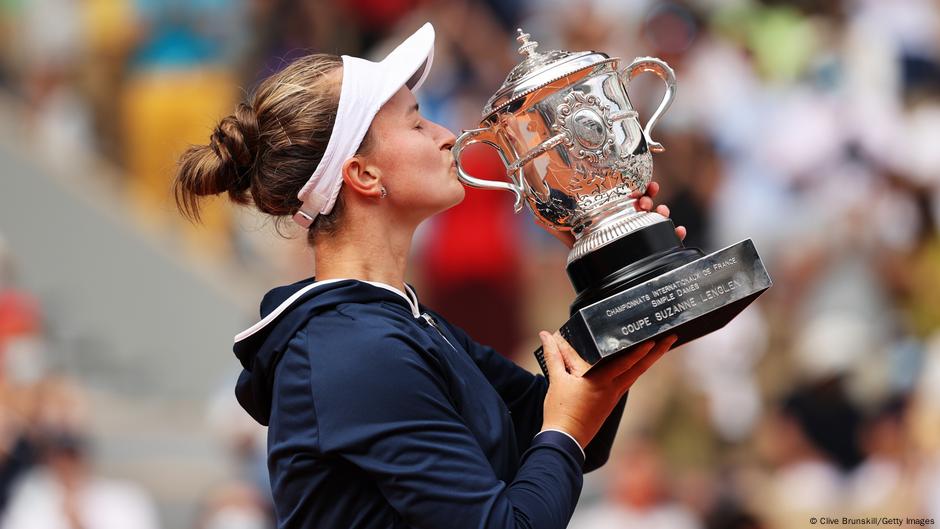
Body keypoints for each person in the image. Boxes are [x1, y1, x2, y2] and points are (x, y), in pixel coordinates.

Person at [173, 22, 684, 529]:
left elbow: (541, 427)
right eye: (418, 124)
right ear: (364, 175)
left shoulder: (391, 321)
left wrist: (610, 262)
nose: (446, 136)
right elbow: (532, 483)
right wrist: (566, 430)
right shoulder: (354, 348)